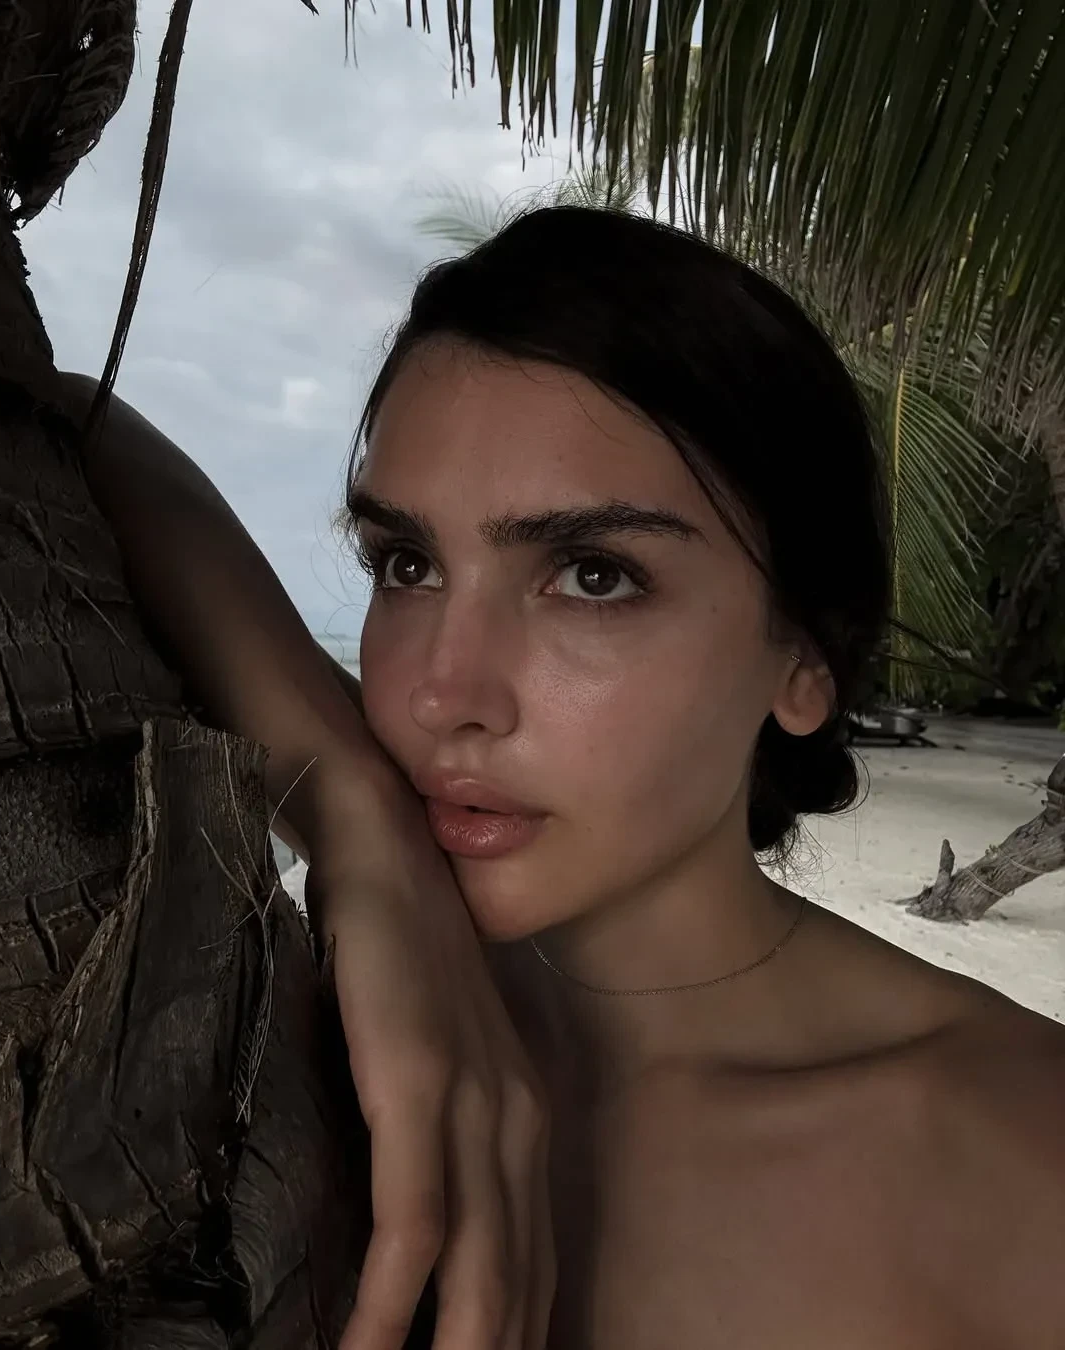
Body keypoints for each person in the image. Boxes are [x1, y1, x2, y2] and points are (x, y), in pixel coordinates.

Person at [66, 204, 1065, 1349]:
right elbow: (73, 423)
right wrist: (355, 814)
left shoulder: (1014, 1156)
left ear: (806, 657)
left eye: (593, 575)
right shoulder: (319, 1006)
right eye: (407, 564)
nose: (443, 695)